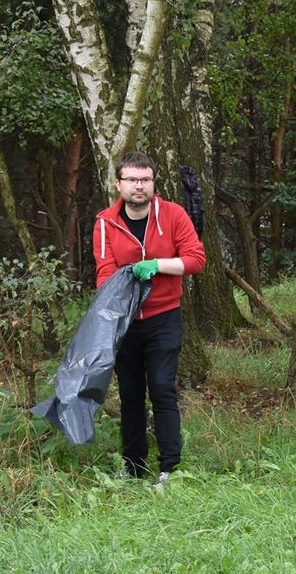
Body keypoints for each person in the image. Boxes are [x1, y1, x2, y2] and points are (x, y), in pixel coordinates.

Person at [93, 152, 206, 484]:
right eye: (131, 180)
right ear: (119, 185)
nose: (138, 186)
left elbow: (196, 259)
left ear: (153, 183)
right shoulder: (105, 223)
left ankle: (169, 466)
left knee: (161, 388)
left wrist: (157, 265)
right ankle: (133, 467)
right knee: (129, 393)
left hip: (164, 315)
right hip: (124, 322)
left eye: (145, 180)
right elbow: (104, 276)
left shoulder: (173, 215)